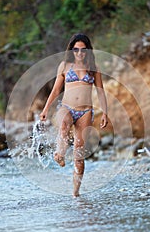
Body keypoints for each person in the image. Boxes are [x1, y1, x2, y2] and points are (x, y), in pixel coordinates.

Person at [40, 33, 108, 197]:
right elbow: (56, 90)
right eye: (76, 49)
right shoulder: (64, 65)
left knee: (79, 152)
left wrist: (105, 113)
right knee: (64, 124)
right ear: (71, 50)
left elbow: (100, 91)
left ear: (88, 50)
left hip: (85, 112)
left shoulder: (94, 68)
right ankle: (60, 154)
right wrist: (45, 109)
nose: (79, 53)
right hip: (67, 107)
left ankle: (75, 193)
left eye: (83, 50)